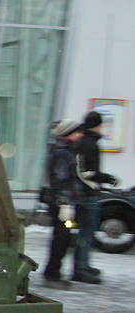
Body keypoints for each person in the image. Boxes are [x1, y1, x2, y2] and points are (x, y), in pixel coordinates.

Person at [43, 120, 98, 286]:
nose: (80, 135)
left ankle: (53, 273)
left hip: (66, 204)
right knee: (61, 239)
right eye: (77, 132)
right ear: (67, 133)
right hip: (62, 206)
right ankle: (52, 275)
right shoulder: (62, 153)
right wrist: (64, 203)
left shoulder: (68, 151)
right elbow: (59, 180)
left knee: (64, 238)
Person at [74, 111, 118, 279]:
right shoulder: (89, 144)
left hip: (84, 192)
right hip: (88, 193)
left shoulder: (83, 141)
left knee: (86, 232)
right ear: (97, 126)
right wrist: (108, 179)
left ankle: (83, 265)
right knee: (86, 232)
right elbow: (87, 172)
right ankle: (81, 269)